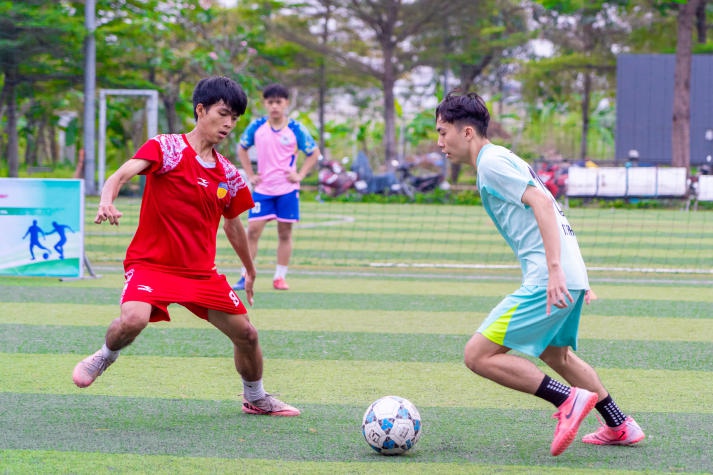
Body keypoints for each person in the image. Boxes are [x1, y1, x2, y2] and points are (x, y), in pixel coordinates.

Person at [72, 76, 300, 417]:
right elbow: (120, 175)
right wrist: (107, 200)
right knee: (134, 320)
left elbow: (234, 226)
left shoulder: (229, 174)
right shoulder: (166, 148)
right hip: (151, 264)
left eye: (234, 118)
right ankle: (104, 356)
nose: (228, 124)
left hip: (200, 275)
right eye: (223, 113)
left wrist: (250, 272)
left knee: (248, 335)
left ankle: (255, 397)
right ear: (200, 110)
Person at [435, 91, 643, 456]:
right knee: (556, 354)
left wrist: (555, 272)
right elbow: (552, 210)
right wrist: (576, 276)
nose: (439, 143)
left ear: (467, 132)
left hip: (551, 277)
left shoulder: (491, 163)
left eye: (443, 132)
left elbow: (544, 204)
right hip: (569, 274)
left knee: (477, 355)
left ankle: (568, 401)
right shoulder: (502, 158)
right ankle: (619, 424)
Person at [232, 83, 321, 291]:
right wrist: (251, 175)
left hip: (287, 190)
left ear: (286, 103)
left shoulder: (295, 128)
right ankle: (245, 275)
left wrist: (300, 174)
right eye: (270, 102)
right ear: (265, 104)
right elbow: (242, 148)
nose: (274, 106)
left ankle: (280, 276)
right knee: (252, 231)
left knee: (284, 233)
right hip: (263, 190)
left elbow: (314, 153)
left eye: (278, 102)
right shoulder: (257, 127)